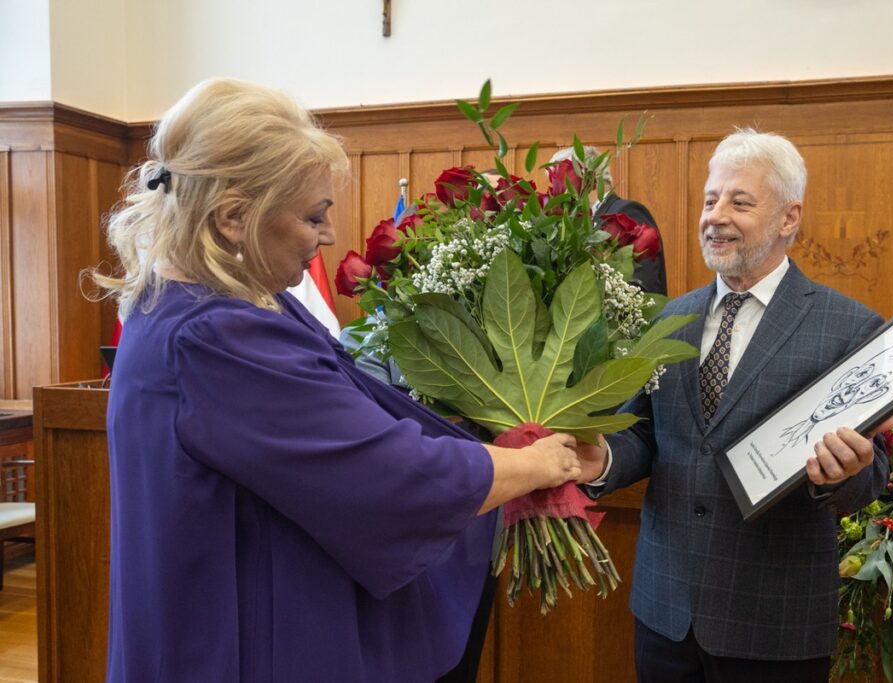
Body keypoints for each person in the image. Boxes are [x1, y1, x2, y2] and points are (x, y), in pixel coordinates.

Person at [91, 78, 596, 683]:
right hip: (242, 644)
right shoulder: (218, 335)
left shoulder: (206, 303)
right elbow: (387, 477)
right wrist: (538, 467)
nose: (329, 237)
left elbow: (339, 409)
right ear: (233, 217)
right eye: (313, 217)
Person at [581, 128, 892, 682]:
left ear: (788, 218)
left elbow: (873, 476)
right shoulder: (665, 317)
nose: (715, 216)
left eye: (739, 201)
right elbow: (646, 435)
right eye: (709, 199)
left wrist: (850, 471)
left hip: (773, 624)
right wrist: (600, 459)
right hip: (665, 613)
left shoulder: (850, 328)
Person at [550, 145, 667, 294]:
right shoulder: (581, 223)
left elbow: (642, 287)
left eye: (558, 182)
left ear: (584, 177)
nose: (555, 192)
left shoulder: (627, 213)